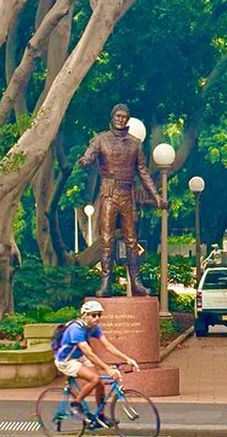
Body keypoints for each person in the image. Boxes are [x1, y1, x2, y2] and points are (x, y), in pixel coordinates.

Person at [78, 103, 166, 297]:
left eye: (124, 117)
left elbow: (142, 172)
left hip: (128, 194)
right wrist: (85, 160)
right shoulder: (101, 139)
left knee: (132, 240)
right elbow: (90, 154)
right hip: (109, 192)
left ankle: (136, 282)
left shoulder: (135, 143)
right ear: (112, 118)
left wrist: (156, 196)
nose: (120, 119)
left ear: (127, 119)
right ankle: (106, 283)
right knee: (107, 239)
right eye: (118, 116)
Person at [54, 300, 141, 426]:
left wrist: (127, 359)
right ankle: (75, 405)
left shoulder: (94, 327)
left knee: (100, 383)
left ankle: (100, 417)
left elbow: (108, 346)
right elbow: (89, 353)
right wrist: (107, 369)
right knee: (94, 378)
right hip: (66, 360)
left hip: (79, 356)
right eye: (93, 315)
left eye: (99, 315)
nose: (97, 318)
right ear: (85, 315)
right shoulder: (76, 329)